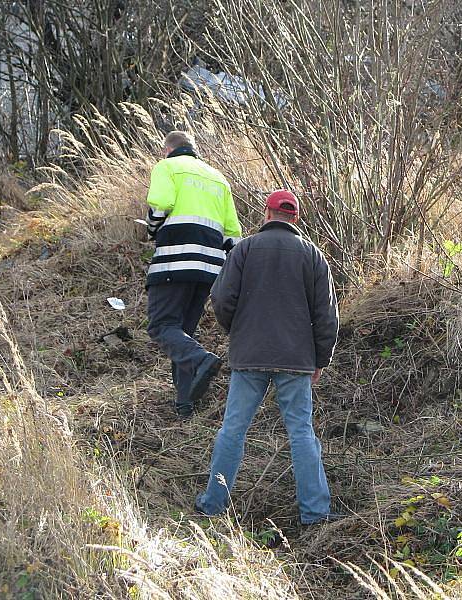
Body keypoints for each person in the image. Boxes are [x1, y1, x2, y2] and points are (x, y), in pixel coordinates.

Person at [195, 190, 341, 525]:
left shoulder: (244, 249)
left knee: (233, 429)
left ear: (266, 213)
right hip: (297, 360)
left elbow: (220, 299)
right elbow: (327, 317)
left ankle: (213, 505)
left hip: (249, 355)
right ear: (296, 218)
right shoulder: (314, 256)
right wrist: (321, 359)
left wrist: (239, 332)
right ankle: (316, 513)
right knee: (302, 432)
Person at [144, 131, 242, 418]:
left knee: (162, 325)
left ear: (167, 149)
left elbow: (160, 205)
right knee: (183, 333)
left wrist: (150, 229)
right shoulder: (218, 178)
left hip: (175, 261)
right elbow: (233, 234)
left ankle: (201, 361)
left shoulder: (167, 167)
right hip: (209, 269)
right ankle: (185, 404)